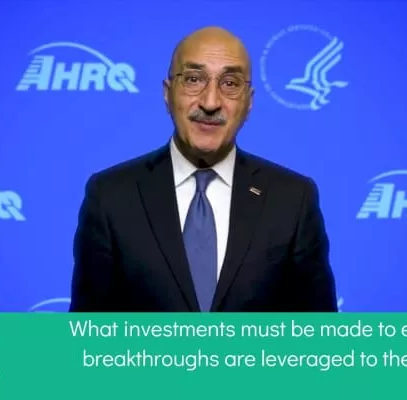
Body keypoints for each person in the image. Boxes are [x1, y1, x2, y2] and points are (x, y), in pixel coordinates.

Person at [69, 26, 337, 312]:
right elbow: (86, 332)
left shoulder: (293, 199)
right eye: (193, 79)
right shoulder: (110, 196)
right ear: (167, 94)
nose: (210, 102)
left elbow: (319, 334)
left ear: (249, 102)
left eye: (230, 84)